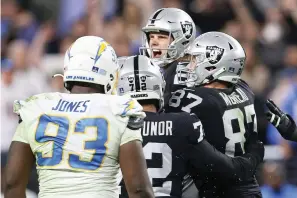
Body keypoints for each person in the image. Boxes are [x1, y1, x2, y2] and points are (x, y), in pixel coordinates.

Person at [3, 36, 154, 198]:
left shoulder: (36, 107)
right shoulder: (119, 109)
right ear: (110, 72)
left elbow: (12, 183)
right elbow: (138, 189)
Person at [117, 55, 264, 198]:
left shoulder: (110, 126)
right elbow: (226, 170)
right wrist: (254, 155)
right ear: (159, 86)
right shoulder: (183, 124)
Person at [166, 32, 262, 197]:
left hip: (217, 187)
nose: (190, 67)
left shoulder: (195, 99)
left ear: (213, 64)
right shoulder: (244, 89)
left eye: (195, 60)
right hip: (249, 186)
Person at [139, 8, 197, 106]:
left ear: (183, 40)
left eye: (161, 37)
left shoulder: (181, 74)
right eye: (151, 37)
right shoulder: (168, 71)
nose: (153, 42)